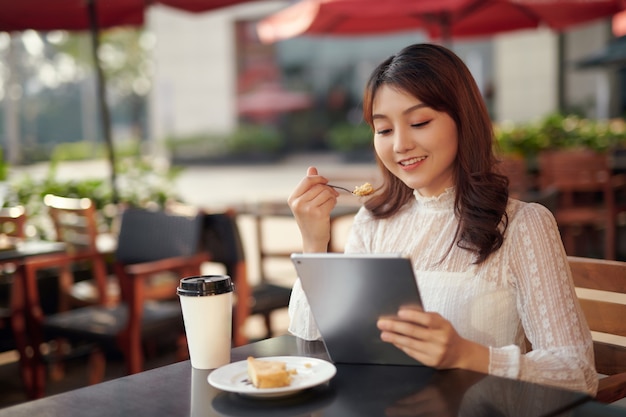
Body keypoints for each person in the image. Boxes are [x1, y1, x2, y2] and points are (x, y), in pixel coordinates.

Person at [287, 43, 597, 396]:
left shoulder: (523, 225)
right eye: (384, 130)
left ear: (463, 120)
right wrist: (314, 243)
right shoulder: (372, 220)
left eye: (419, 122)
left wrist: (468, 355)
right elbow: (311, 340)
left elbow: (579, 374)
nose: (400, 144)